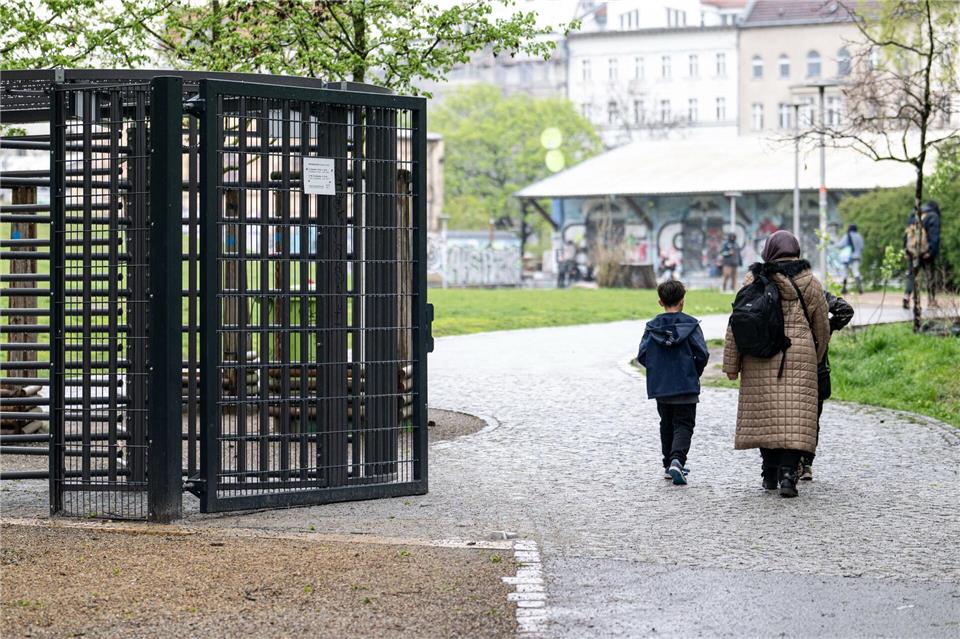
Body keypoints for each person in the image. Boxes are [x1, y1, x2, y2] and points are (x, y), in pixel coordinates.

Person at [722, 230, 830, 498]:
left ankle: (768, 472)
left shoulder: (753, 279)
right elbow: (822, 327)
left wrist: (731, 365)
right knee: (796, 418)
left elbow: (737, 322)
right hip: (799, 355)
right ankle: (787, 476)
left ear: (768, 251)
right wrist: (816, 357)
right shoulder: (811, 282)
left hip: (760, 355)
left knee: (766, 416)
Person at [637, 280, 710, 485]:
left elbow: (642, 355)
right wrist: (694, 372)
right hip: (685, 383)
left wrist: (658, 370)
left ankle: (668, 463)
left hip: (661, 385)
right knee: (684, 423)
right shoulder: (691, 325)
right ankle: (677, 460)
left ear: (660, 302)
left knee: (666, 423)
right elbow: (702, 354)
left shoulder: (652, 327)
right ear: (682, 301)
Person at [799, 291, 855, 481]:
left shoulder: (778, 290)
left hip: (790, 365)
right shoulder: (816, 292)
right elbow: (845, 310)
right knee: (813, 416)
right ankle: (806, 463)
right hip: (818, 364)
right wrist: (826, 329)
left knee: (790, 415)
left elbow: (846, 310)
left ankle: (793, 464)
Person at [903, 201, 942, 308]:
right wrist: (932, 251)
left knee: (911, 276)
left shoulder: (914, 213)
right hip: (926, 252)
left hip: (912, 251)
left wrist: (906, 250)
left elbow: (907, 233)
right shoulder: (933, 216)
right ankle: (931, 301)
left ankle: (906, 297)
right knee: (930, 276)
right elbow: (935, 236)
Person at [832, 224, 864, 294]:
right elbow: (862, 247)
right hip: (857, 256)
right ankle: (860, 288)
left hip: (847, 256)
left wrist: (834, 244)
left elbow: (840, 245)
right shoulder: (859, 236)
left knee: (845, 272)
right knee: (856, 271)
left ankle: (844, 289)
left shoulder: (847, 235)